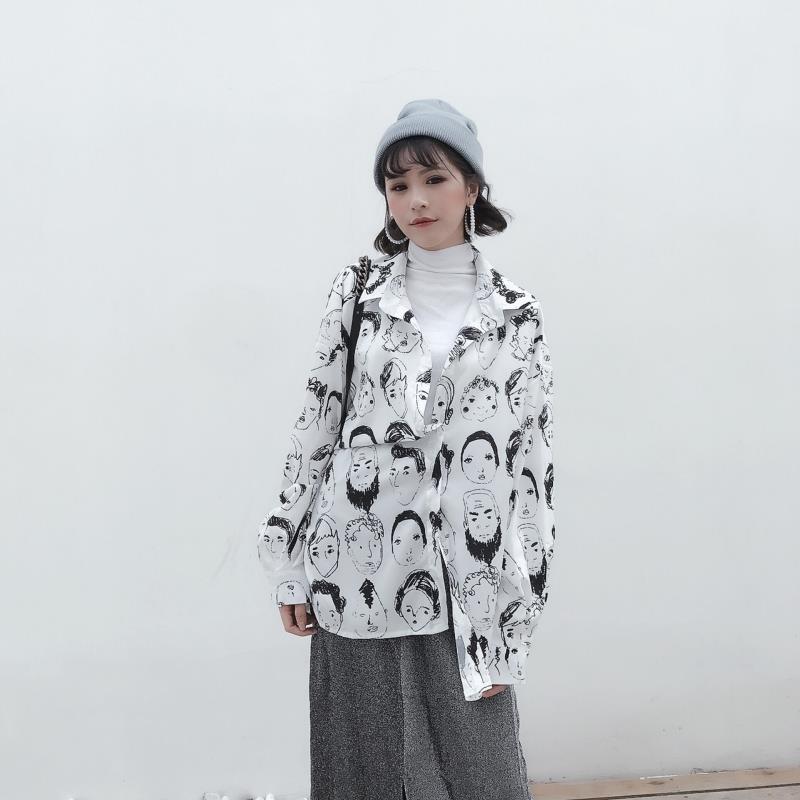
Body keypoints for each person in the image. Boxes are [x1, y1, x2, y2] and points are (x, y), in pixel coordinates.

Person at [257, 98, 557, 800]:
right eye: (397, 185)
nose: (415, 200)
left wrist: (518, 613)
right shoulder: (358, 293)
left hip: (469, 579)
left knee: (480, 777)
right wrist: (287, 563)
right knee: (366, 773)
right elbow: (315, 428)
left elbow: (532, 470)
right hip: (356, 563)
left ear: (472, 187)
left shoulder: (517, 314)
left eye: (434, 179)